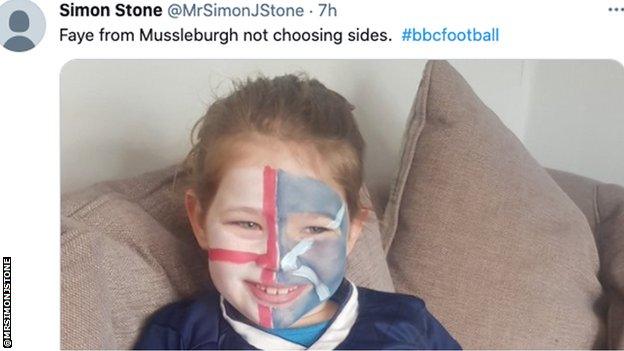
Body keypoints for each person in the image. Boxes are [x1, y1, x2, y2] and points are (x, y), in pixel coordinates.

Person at [134, 74, 460, 350]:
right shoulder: (178, 336)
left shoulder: (410, 327)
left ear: (354, 231)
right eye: (248, 223)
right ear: (200, 221)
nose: (279, 260)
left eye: (315, 229)